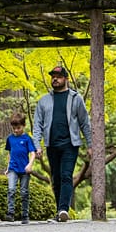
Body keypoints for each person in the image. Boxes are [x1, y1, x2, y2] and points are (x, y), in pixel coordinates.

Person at [32, 65, 91, 222]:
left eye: (58, 76)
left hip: (70, 144)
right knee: (56, 178)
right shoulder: (44, 101)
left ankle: (64, 209)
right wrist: (36, 145)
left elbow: (85, 122)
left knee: (66, 176)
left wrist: (90, 145)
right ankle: (60, 211)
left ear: (66, 78)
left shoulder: (75, 98)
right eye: (53, 76)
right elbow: (37, 124)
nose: (55, 79)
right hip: (51, 144)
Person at [4, 112, 36, 224]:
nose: (16, 130)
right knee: (11, 190)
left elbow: (32, 153)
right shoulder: (10, 139)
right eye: (14, 128)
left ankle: (25, 215)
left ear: (23, 126)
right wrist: (8, 167)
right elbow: (10, 153)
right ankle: (10, 213)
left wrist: (30, 164)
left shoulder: (27, 139)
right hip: (13, 168)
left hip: (24, 170)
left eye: (18, 128)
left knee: (24, 192)